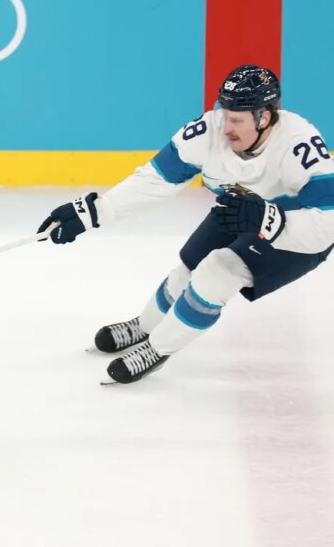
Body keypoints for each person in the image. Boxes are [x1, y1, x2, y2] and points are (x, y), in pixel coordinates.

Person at [37, 64, 334, 384]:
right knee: (188, 267)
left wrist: (272, 222)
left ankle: (157, 348)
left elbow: (327, 224)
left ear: (265, 118)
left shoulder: (299, 145)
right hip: (241, 207)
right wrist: (94, 212)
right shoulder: (209, 130)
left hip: (296, 232)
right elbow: (156, 179)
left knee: (219, 272)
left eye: (237, 120)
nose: (226, 127)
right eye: (224, 114)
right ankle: (147, 325)